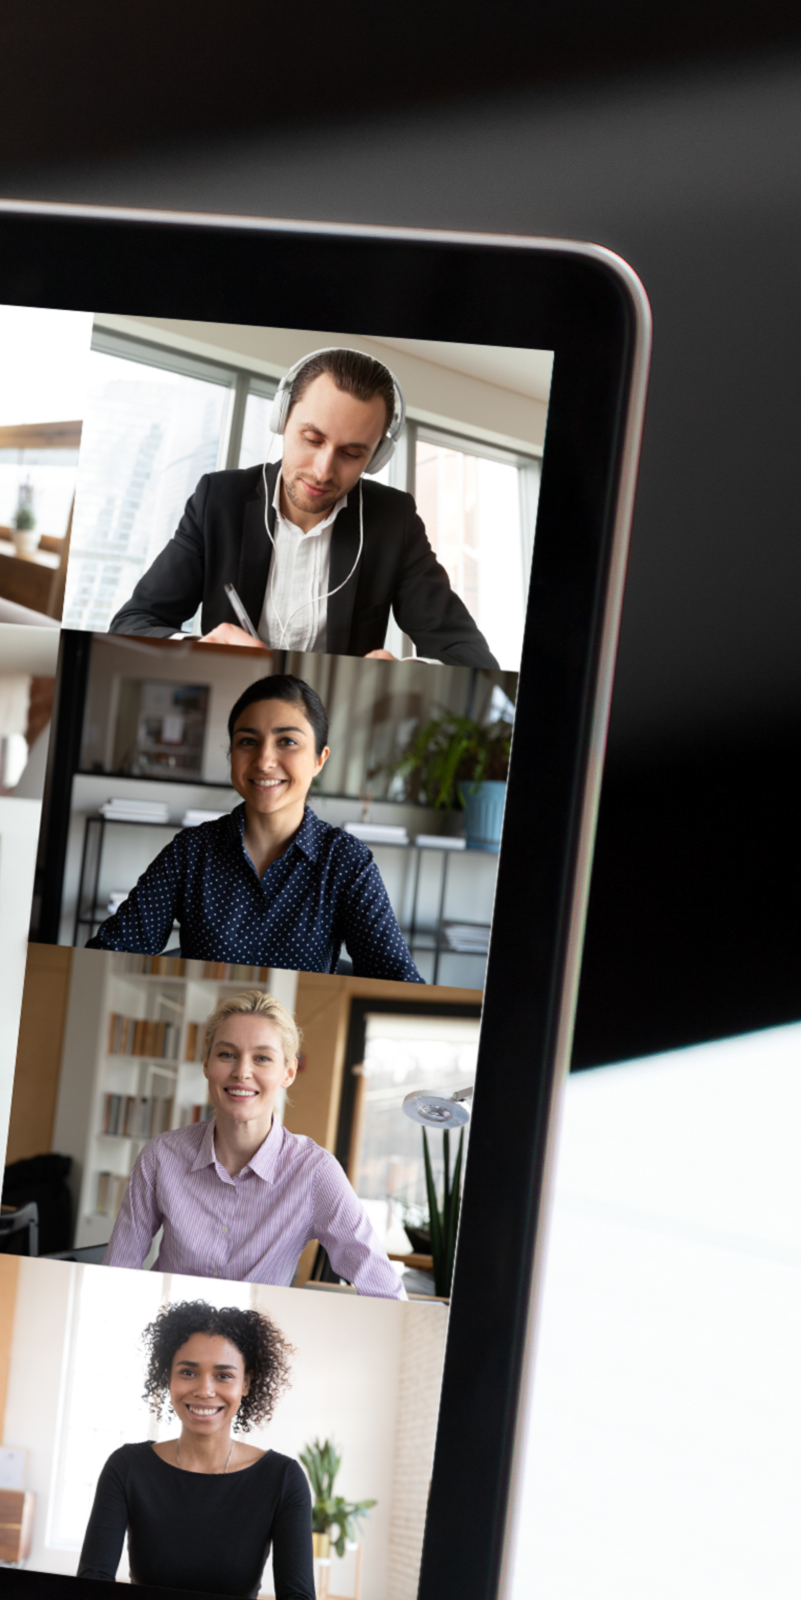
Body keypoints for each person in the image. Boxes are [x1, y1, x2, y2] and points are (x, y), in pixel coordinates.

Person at [102, 348, 498, 666]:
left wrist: (411, 673)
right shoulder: (218, 500)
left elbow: (469, 654)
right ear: (282, 419)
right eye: (312, 438)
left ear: (375, 459)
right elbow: (132, 623)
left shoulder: (393, 522)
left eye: (351, 453)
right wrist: (199, 645)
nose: (323, 471)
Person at [91, 670, 420, 978]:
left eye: (287, 741)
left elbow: (400, 982)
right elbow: (109, 954)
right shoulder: (191, 852)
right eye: (248, 741)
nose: (264, 761)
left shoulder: (345, 862)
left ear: (320, 759)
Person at [109, 997, 407, 1294]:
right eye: (226, 1054)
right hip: (165, 1328)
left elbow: (385, 1290)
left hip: (256, 1336)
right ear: (206, 1064)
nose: (242, 1072)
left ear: (288, 1072)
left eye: (262, 1058)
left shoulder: (315, 1171)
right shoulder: (161, 1155)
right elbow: (116, 1274)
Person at [77, 1302, 325, 1600]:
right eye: (188, 1372)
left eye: (223, 1376)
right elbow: (90, 1587)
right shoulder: (127, 1467)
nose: (205, 1390)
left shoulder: (283, 1479)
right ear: (168, 1377)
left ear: (246, 1382)